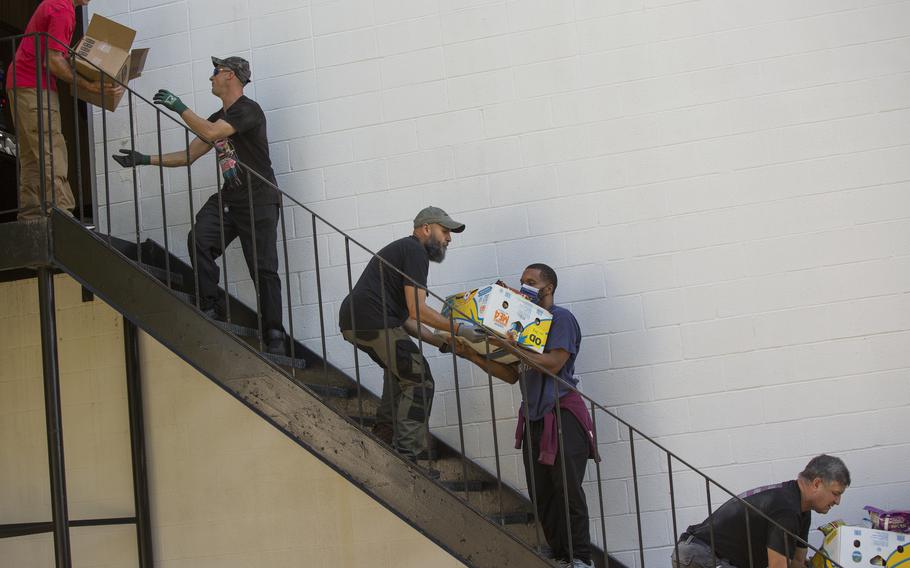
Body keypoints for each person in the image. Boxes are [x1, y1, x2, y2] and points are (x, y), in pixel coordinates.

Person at [112, 56, 287, 355]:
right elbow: (188, 155)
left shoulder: (248, 111)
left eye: (215, 73)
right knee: (201, 239)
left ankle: (273, 333)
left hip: (259, 201)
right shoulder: (219, 115)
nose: (211, 78)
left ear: (230, 76)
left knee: (263, 269)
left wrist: (179, 106)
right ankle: (209, 304)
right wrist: (144, 159)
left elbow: (211, 133)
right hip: (231, 199)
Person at [452, 263, 598, 568]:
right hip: (534, 418)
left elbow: (554, 363)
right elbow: (510, 375)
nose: (524, 286)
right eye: (521, 281)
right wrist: (473, 354)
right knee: (541, 493)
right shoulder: (524, 325)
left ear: (548, 288)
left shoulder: (560, 319)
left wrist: (512, 346)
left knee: (567, 490)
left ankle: (581, 558)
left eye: (530, 281)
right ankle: (561, 555)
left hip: (562, 416)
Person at [338, 206, 484, 466]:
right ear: (426, 229)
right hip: (371, 319)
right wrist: (460, 329)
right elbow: (419, 310)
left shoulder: (406, 251)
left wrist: (442, 341)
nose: (449, 239)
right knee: (420, 378)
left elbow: (408, 319)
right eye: (445, 231)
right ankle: (409, 456)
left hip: (361, 320)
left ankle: (383, 437)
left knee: (402, 374)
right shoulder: (415, 251)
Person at [7, 0, 121, 220]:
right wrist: (90, 86)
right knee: (51, 148)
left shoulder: (55, 5)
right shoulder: (62, 9)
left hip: (20, 82)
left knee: (33, 154)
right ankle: (61, 214)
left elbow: (56, 55)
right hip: (34, 85)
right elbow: (53, 62)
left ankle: (32, 216)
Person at [673, 454, 850, 568]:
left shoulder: (802, 510)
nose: (837, 501)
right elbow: (777, 567)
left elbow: (796, 563)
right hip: (700, 555)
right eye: (835, 494)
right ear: (817, 484)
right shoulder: (786, 509)